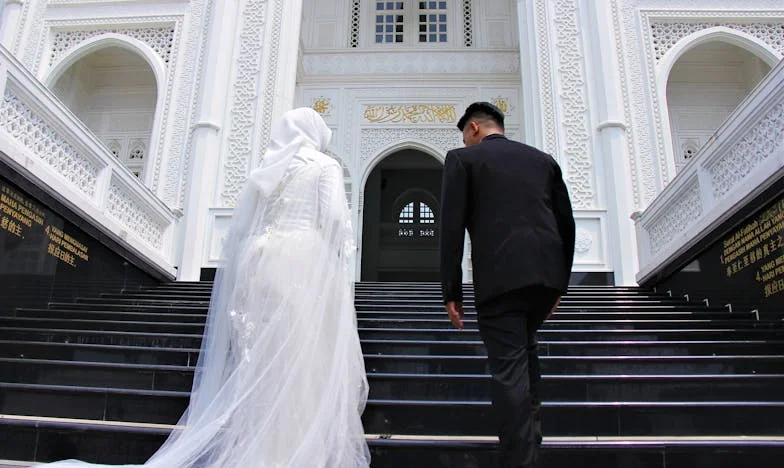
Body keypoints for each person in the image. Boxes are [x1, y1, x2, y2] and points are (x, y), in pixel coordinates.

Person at [36, 108, 371, 467]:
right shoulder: (324, 166)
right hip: (302, 258)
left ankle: (261, 450)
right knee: (298, 359)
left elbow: (245, 227)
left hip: (259, 263)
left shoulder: (268, 168)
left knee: (261, 361)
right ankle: (295, 451)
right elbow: (335, 218)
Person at [439, 102, 575, 468]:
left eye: (466, 137)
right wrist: (560, 283)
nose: (466, 143)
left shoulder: (463, 160)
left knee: (509, 372)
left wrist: (451, 291)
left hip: (500, 280)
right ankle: (532, 446)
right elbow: (566, 222)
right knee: (527, 360)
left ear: (473, 129)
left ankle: (521, 459)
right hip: (544, 278)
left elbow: (451, 231)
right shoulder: (542, 159)